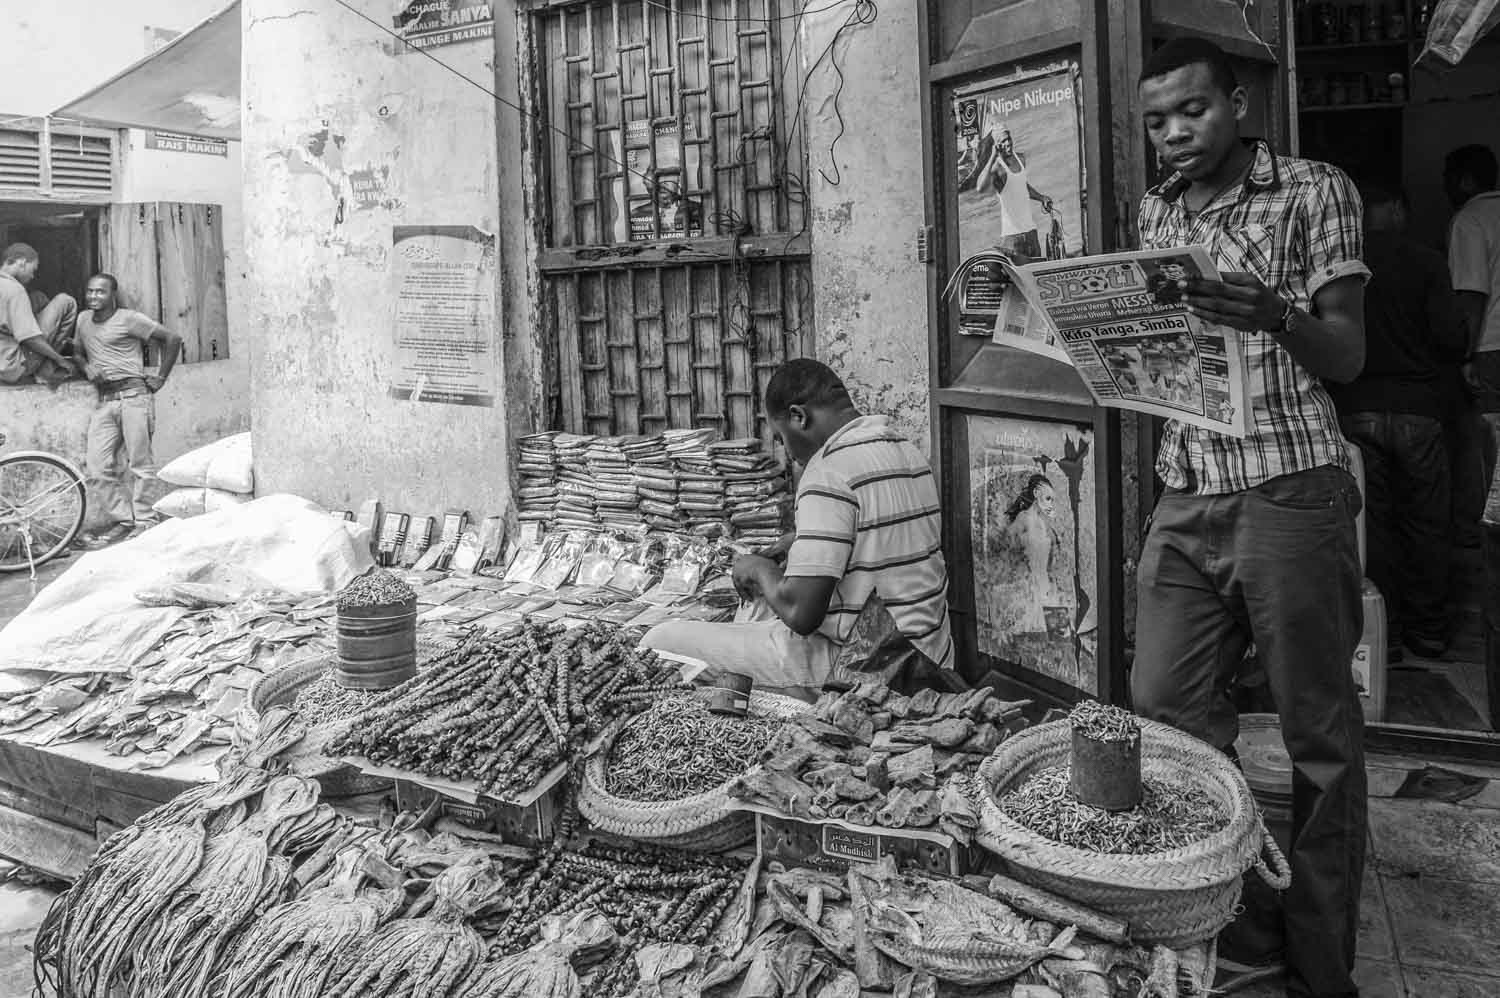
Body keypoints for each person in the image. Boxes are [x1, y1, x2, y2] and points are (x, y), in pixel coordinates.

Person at [1131, 38, 1368, 998]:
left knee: (1318, 735)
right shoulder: (1154, 210)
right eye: (1155, 121)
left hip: (1288, 486)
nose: (1174, 134)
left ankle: (1318, 962)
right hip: (1186, 487)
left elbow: (1347, 356)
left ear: (1238, 103)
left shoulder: (1313, 190)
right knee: (1169, 712)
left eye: (1191, 110)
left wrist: (1274, 313)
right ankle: (1245, 912)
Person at [641, 359, 954, 694]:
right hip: (932, 654)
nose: (788, 453)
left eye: (781, 437)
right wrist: (798, 540)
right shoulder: (903, 448)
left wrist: (758, 569)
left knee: (661, 640)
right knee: (756, 607)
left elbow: (801, 614)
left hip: (874, 665)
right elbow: (883, 534)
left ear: (798, 417)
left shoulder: (827, 471)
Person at [1329, 183, 1466, 661]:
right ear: (1398, 209)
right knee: (1427, 522)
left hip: (1357, 407)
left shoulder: (1341, 270)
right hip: (1418, 412)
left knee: (1375, 528)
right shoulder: (1425, 261)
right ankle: (1429, 631)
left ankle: (1386, 637)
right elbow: (1452, 338)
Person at [72, 273, 182, 548]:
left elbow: (172, 339)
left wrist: (161, 377)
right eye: (90, 292)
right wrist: (86, 366)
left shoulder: (129, 318)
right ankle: (124, 519)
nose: (94, 297)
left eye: (100, 292)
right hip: (105, 400)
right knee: (96, 467)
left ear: (112, 295)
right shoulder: (83, 319)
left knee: (140, 464)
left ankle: (145, 520)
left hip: (135, 397)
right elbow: (76, 351)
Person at [1444, 145, 1500, 547]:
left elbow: (1470, 295)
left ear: (1464, 181)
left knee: (1490, 460)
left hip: (1490, 349)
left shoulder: (1470, 219)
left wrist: (1464, 356)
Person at [0, 243, 77, 387]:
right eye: (33, 269)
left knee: (37, 297)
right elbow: (30, 339)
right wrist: (59, 359)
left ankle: (44, 365)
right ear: (22, 262)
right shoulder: (15, 290)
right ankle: (45, 370)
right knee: (66, 301)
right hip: (13, 367)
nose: (33, 276)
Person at [971, 127, 1055, 260]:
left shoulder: (1021, 159)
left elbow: (1022, 186)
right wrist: (993, 156)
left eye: (1009, 138)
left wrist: (1041, 198)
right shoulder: (998, 169)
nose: (1008, 143)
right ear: (997, 145)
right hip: (1012, 239)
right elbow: (980, 187)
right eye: (1003, 141)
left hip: (1031, 233)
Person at [1003, 473, 1058, 634]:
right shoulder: (1024, 518)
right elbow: (1007, 545)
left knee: (1060, 641)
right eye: (1048, 498)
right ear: (1036, 494)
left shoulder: (1044, 522)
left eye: (1052, 500)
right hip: (1030, 589)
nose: (1051, 504)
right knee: (1035, 642)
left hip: (1048, 587)